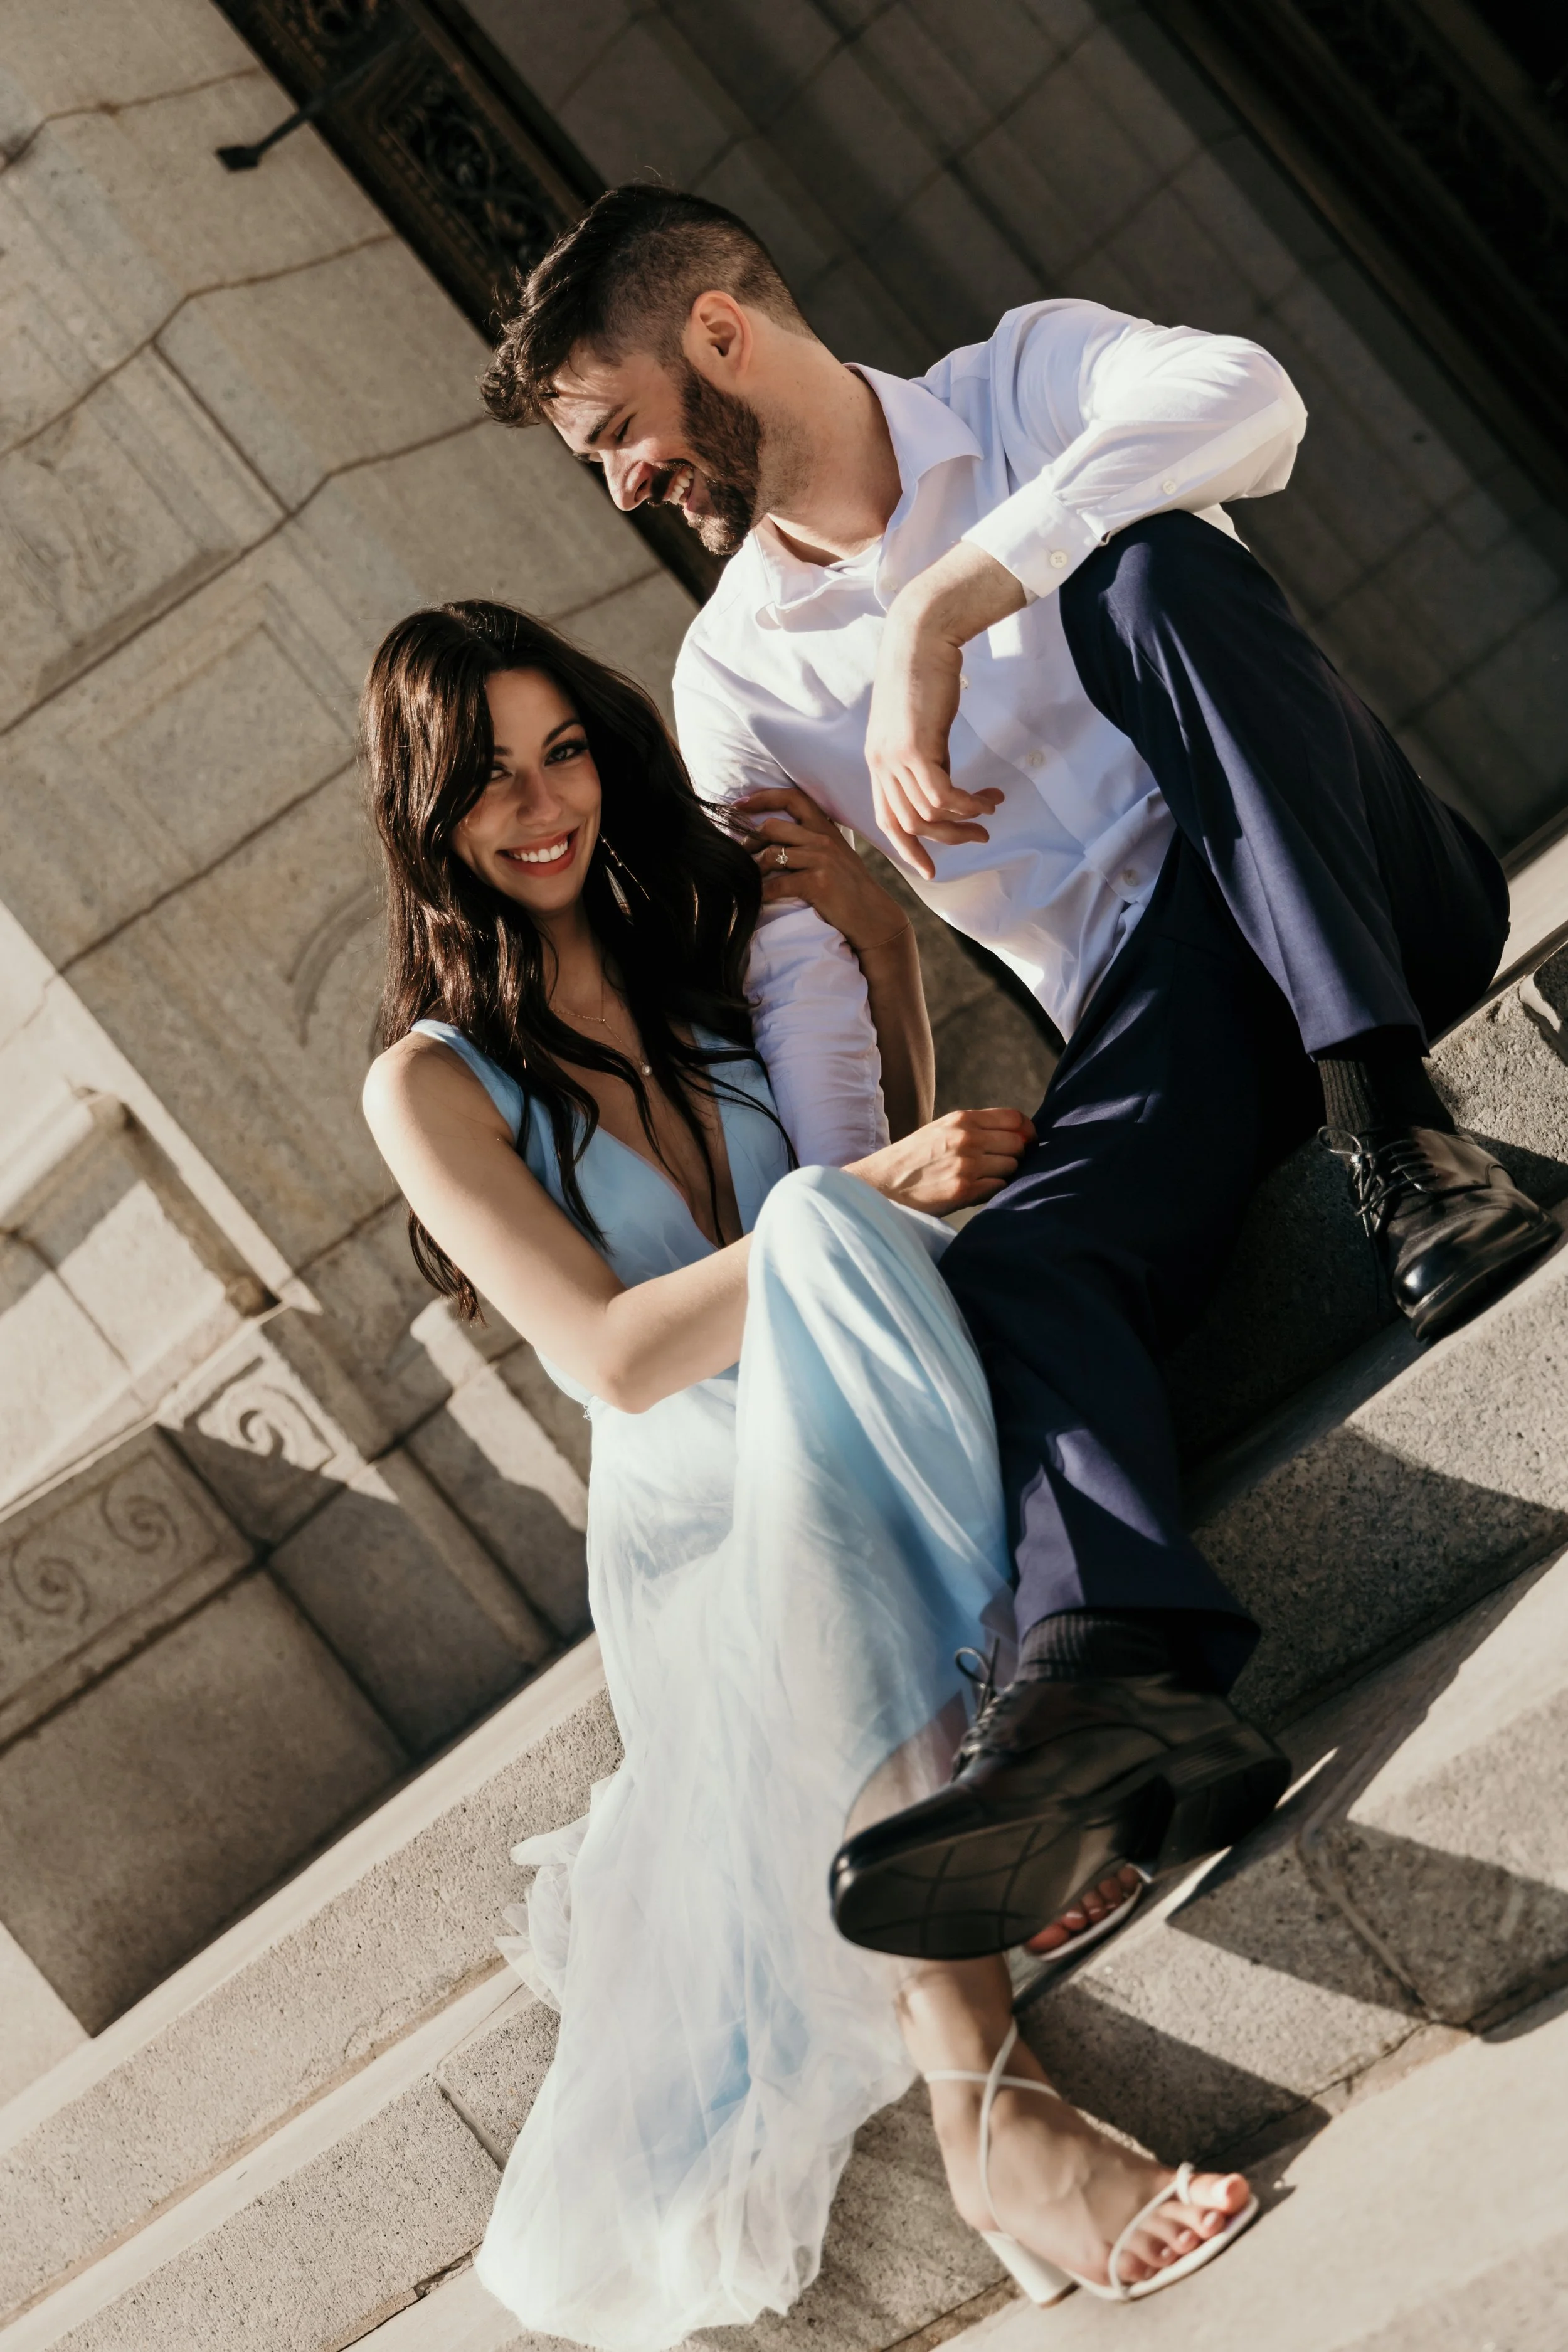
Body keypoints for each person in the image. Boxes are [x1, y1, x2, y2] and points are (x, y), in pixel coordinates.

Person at [481, 183, 1557, 1963]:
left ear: (720, 340)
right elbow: (809, 976)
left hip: (1365, 893)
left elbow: (1251, 398)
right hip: (1166, 1021)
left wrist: (944, 616)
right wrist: (866, 1204)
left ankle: (1402, 1139)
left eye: (618, 431)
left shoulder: (1022, 381)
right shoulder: (733, 678)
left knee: (1149, 562)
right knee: (1031, 1261)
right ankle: (1108, 1683)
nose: (622, 484)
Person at [359, 603, 1259, 2348]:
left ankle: (994, 1845)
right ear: (425, 814)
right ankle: (984, 2094)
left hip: (867, 1390)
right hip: (699, 1493)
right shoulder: (429, 1082)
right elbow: (614, 1355)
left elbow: (880, 1191)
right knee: (816, 1309)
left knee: (850, 1263)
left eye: (561, 751)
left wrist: (886, 964)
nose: (540, 805)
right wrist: (845, 1202)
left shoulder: (706, 958)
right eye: (484, 781)